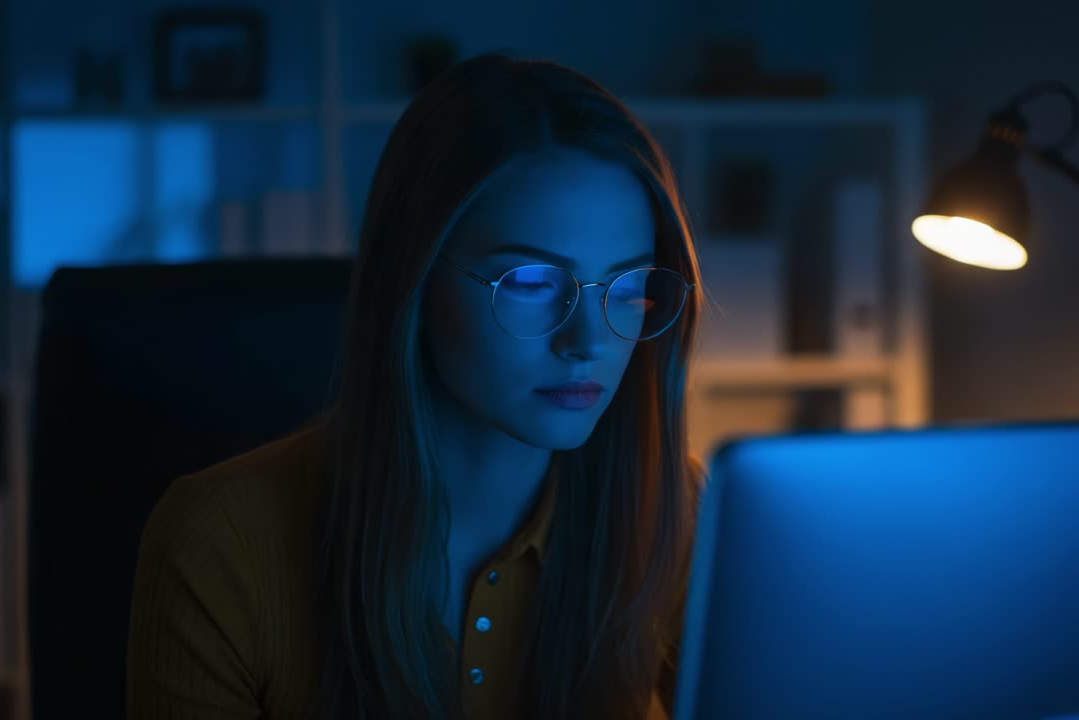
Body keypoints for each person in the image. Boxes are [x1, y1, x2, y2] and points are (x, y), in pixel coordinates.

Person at [126, 51, 706, 720]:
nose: (588, 341)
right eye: (530, 283)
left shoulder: (681, 517)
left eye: (630, 287)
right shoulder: (221, 542)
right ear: (417, 282)